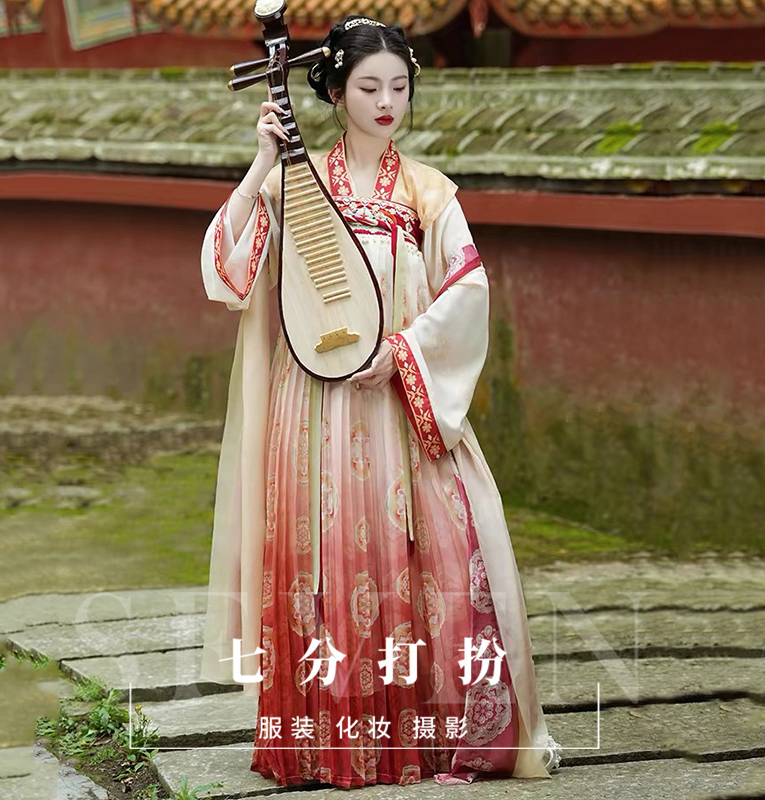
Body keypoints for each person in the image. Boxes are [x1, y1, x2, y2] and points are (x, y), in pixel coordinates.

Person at [198, 14, 562, 789]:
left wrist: (400, 351)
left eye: (400, 86)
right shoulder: (292, 185)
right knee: (317, 570)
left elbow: (468, 291)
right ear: (335, 91)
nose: (388, 101)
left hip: (397, 403)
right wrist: (261, 160)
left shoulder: (428, 192)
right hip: (309, 410)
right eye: (369, 87)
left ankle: (419, 738)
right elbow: (228, 273)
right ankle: (323, 744)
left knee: (434, 556)